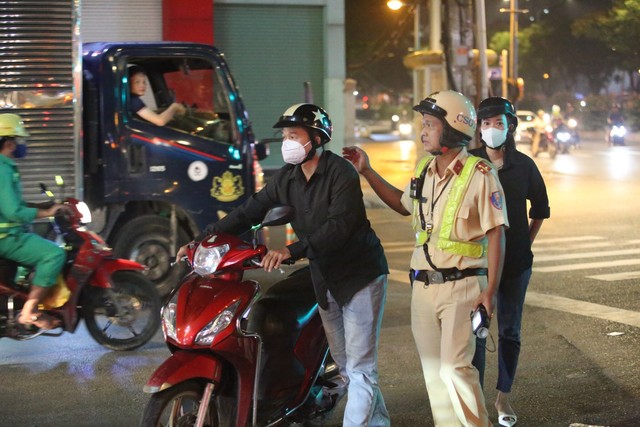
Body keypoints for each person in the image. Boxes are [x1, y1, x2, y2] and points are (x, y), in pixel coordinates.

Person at [176, 103, 390, 427]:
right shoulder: (287, 178)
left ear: (317, 138)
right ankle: (378, 422)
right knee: (349, 369)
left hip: (359, 276)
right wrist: (200, 240)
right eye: (285, 135)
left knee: (361, 369)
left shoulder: (340, 173)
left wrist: (293, 250)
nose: (287, 141)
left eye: (295, 134)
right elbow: (250, 211)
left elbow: (339, 227)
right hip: (325, 278)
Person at [343, 90, 508, 427]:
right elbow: (403, 205)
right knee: (435, 375)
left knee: (456, 369)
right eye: (424, 123)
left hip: (462, 287)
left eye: (430, 124)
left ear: (451, 129)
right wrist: (367, 172)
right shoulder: (423, 170)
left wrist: (489, 291)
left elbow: (496, 233)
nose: (423, 131)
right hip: (423, 289)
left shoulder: (480, 174)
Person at [469, 97, 551, 427]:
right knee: (476, 329)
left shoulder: (524, 166)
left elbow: (541, 209)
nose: (491, 130)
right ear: (478, 128)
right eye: (485, 124)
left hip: (516, 264)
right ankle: (473, 398)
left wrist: (524, 244)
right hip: (476, 264)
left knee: (510, 330)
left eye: (498, 123)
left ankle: (503, 396)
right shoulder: (469, 162)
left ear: (510, 127)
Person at [0, 113, 67, 330]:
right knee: (54, 253)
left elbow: (12, 202)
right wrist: (46, 214)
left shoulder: (5, 166)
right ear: (9, 143)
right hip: (8, 238)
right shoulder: (3, 169)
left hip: (11, 235)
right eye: (19, 141)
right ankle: (29, 310)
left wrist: (41, 206)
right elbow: (12, 212)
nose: (22, 145)